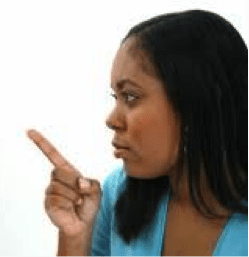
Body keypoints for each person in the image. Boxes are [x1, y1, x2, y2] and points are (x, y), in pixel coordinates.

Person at [28, 9, 248, 257]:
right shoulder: (117, 193)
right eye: (116, 97)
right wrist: (75, 237)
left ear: (194, 105)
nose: (112, 120)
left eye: (130, 96)